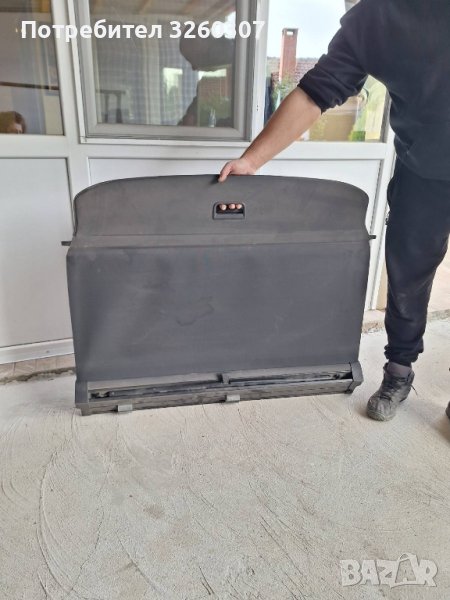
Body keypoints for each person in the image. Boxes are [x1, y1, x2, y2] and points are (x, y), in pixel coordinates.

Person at [219, 0, 450, 422]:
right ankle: (398, 372)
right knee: (406, 277)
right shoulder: (376, 17)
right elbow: (316, 91)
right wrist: (252, 160)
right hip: (422, 172)